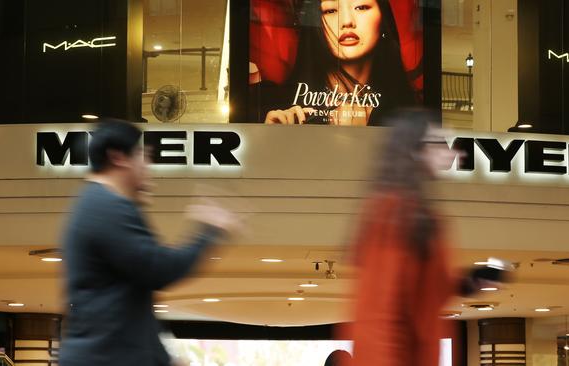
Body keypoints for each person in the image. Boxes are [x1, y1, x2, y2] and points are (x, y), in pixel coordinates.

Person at [59, 120, 239, 366]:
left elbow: (130, 301)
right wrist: (207, 232)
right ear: (118, 157)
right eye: (143, 156)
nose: (147, 165)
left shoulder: (95, 204)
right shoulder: (107, 207)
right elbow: (160, 268)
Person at [342, 109, 486, 366]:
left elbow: (427, 294)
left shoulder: (419, 215)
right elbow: (382, 313)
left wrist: (468, 282)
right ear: (414, 151)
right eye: (440, 143)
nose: (453, 152)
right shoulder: (393, 213)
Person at [260, 0, 418, 125]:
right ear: (315, 25)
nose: (347, 21)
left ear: (383, 18)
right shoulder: (280, 106)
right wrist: (273, 138)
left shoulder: (409, 112)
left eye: (361, 7)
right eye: (330, 10)